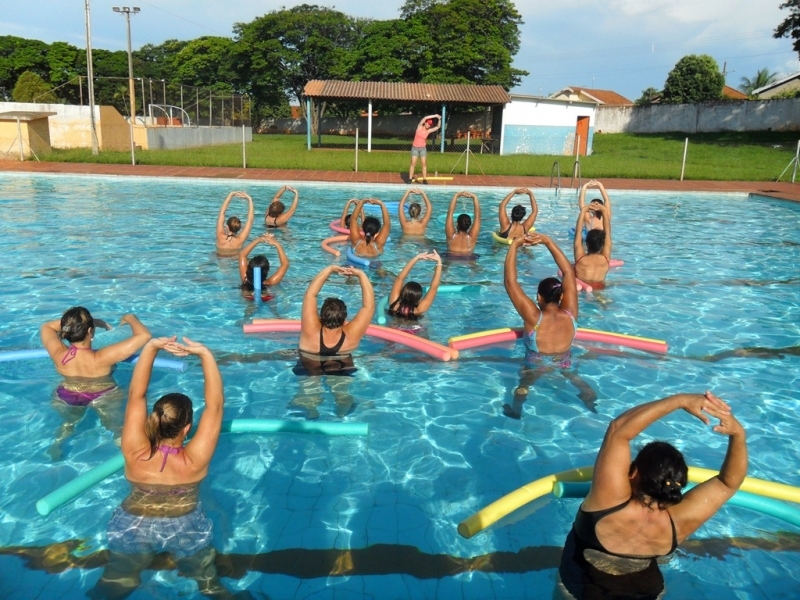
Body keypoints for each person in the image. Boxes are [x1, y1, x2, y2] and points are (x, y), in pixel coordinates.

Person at [89, 336, 245, 599]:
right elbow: (215, 405)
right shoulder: (194, 459)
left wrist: (151, 347)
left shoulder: (134, 450)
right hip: (185, 524)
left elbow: (137, 395)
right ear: (187, 429)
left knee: (116, 581)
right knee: (209, 584)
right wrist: (205, 353)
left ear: (154, 420)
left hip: (133, 523)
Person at [557, 391, 747, 600]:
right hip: (647, 592)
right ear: (679, 483)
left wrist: (679, 400)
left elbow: (619, 430)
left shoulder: (608, 501)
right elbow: (728, 482)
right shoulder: (680, 520)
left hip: (582, 588)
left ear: (634, 472)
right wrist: (738, 435)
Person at [503, 233, 596, 416]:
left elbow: (510, 282)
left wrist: (514, 246)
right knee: (576, 379)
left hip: (536, 363)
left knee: (524, 384)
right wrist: (547, 241)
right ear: (561, 296)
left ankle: (516, 410)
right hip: (564, 360)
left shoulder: (533, 317)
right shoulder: (570, 314)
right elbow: (569, 272)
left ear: (538, 297)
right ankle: (590, 401)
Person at [41, 307, 152, 459]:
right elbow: (144, 335)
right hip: (103, 395)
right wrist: (130, 317)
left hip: (67, 394)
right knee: (116, 428)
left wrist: (85, 324)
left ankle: (57, 445)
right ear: (90, 332)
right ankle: (128, 457)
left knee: (68, 424)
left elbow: (46, 326)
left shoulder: (58, 354)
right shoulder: (103, 357)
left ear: (68, 331)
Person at [292, 265, 375, 418]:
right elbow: (368, 306)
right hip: (341, 363)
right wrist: (361, 274)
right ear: (345, 319)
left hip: (309, 362)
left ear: (321, 317)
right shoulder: (351, 335)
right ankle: (342, 411)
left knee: (308, 392)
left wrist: (330, 269)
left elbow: (311, 294)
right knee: (342, 393)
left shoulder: (311, 331)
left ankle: (310, 409)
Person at [387, 250, 442, 320]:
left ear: (402, 293)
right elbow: (434, 287)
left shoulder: (394, 304)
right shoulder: (418, 311)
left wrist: (416, 258)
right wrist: (439, 262)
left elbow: (399, 278)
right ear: (418, 299)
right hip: (413, 330)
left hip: (392, 329)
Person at [573, 198, 613, 290]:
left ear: (586, 243)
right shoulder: (605, 259)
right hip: (600, 290)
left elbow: (578, 233)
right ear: (603, 244)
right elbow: (608, 232)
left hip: (581, 289)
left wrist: (583, 211)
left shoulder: (580, 259)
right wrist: (603, 210)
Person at [238, 233, 290, 298]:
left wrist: (259, 240)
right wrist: (277, 244)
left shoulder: (245, 279)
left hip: (247, 297)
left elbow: (242, 255)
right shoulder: (270, 283)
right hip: (266, 298)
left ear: (249, 268)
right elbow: (285, 264)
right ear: (267, 271)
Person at [215, 191, 255, 257]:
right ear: (239, 228)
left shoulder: (220, 236)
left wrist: (231, 194)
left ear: (227, 227)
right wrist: (249, 199)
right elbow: (250, 220)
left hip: (219, 259)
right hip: (235, 260)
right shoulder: (240, 240)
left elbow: (222, 212)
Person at [445, 191, 481, 258]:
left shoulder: (451, 235)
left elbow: (450, 214)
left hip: (451, 257)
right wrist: (474, 197)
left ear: (457, 224)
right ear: (469, 225)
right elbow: (477, 217)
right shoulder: (472, 238)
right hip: (468, 259)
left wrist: (456, 195)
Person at [408, 114, 441, 183]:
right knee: (413, 163)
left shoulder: (428, 131)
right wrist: (435, 115)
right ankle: (410, 179)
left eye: (430, 125)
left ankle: (424, 179)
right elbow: (425, 117)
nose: (429, 125)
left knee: (424, 163)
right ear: (425, 123)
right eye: (428, 124)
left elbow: (438, 127)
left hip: (423, 148)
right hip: (415, 148)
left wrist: (439, 119)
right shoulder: (419, 127)